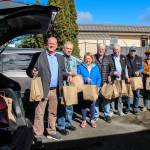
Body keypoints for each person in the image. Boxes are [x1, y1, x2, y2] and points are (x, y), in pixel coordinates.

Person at [28, 37, 71, 141]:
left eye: (54, 43)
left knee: (53, 112)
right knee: (39, 113)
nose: (51, 45)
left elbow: (63, 72)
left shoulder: (60, 58)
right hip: (42, 89)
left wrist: (68, 76)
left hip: (55, 90)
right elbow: (29, 70)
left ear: (57, 45)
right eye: (49, 43)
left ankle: (51, 132)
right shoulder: (39, 56)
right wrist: (32, 72)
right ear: (46, 44)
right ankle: (38, 134)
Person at [57, 41, 80, 135]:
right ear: (63, 48)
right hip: (62, 85)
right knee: (62, 106)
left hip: (71, 85)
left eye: (71, 49)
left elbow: (78, 69)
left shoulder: (73, 59)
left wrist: (76, 74)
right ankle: (61, 126)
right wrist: (69, 74)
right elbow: (58, 71)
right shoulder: (58, 57)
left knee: (70, 106)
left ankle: (68, 123)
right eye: (68, 48)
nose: (69, 50)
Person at [77, 52, 101, 128]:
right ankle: (83, 120)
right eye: (86, 58)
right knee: (83, 105)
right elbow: (78, 76)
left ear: (92, 59)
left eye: (89, 58)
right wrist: (85, 79)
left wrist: (97, 86)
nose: (88, 60)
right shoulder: (80, 66)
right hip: (83, 88)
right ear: (84, 59)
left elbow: (99, 78)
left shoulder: (95, 67)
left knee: (92, 104)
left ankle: (92, 120)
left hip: (93, 88)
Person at [94, 43, 115, 123]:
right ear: (97, 49)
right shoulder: (93, 58)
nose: (101, 50)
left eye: (102, 49)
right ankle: (96, 115)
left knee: (106, 99)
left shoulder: (109, 58)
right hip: (95, 83)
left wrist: (110, 75)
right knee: (96, 99)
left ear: (104, 50)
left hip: (105, 82)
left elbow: (113, 68)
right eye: (100, 49)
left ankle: (107, 115)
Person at [110, 44, 130, 116]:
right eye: (115, 50)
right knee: (112, 95)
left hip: (121, 80)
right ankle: (111, 111)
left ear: (120, 50)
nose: (116, 51)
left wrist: (127, 77)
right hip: (113, 79)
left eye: (117, 49)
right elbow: (108, 68)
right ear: (113, 50)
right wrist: (114, 73)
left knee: (120, 96)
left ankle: (119, 110)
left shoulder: (123, 57)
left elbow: (125, 68)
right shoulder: (110, 57)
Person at [126, 47, 143, 114]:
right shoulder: (125, 58)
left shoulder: (139, 58)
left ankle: (135, 108)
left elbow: (142, 68)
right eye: (131, 51)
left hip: (137, 79)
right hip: (128, 78)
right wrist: (126, 76)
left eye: (134, 51)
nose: (133, 52)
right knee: (128, 94)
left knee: (137, 94)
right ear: (129, 51)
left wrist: (139, 71)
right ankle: (128, 108)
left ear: (135, 52)